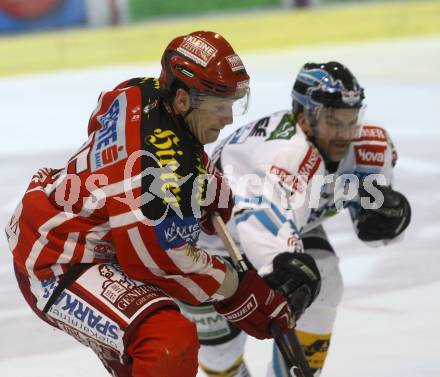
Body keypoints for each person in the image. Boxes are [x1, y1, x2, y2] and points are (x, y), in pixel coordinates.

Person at [4, 31, 320, 377]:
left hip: (64, 227)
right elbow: (157, 259)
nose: (229, 118)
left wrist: (205, 187)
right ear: (183, 100)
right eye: (219, 107)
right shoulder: (158, 178)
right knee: (167, 341)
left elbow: (103, 114)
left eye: (232, 104)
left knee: (148, 359)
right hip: (58, 261)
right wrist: (242, 294)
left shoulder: (139, 90)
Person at [181, 61, 411, 377]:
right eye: (333, 121)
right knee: (222, 359)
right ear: (304, 117)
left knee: (326, 280)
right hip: (208, 243)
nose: (344, 134)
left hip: (280, 225)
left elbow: (375, 223)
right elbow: (261, 219)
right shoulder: (285, 155)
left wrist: (391, 217)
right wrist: (282, 262)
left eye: (350, 120)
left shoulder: (368, 146)